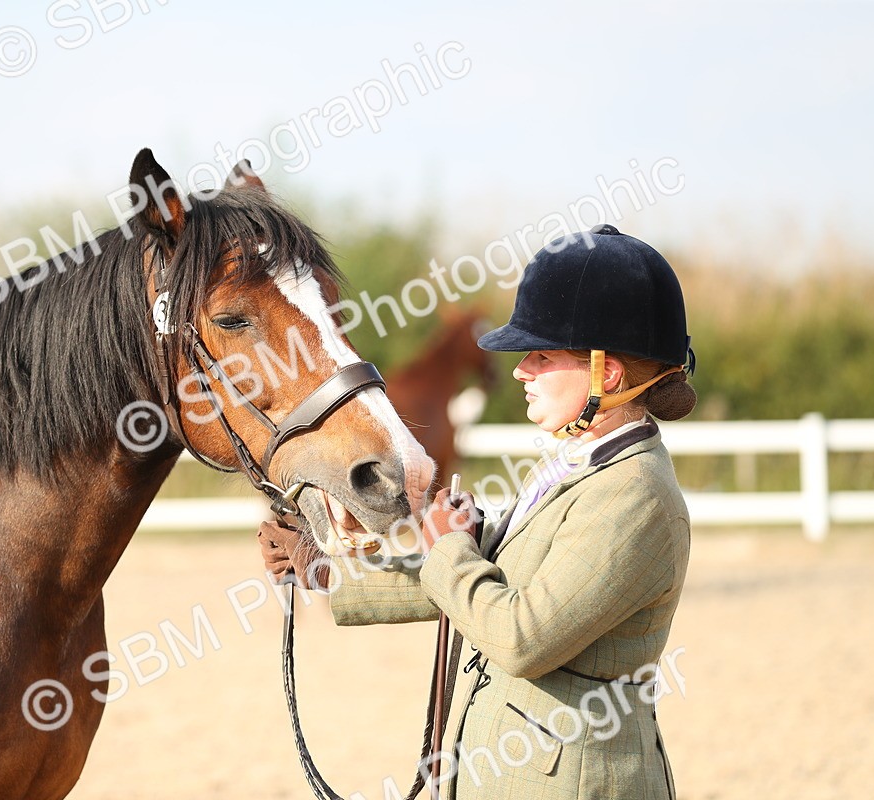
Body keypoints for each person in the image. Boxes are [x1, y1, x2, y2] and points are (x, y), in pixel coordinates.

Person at [259, 224, 695, 799]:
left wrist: (451, 545)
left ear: (605, 373)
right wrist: (325, 567)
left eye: (540, 356)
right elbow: (483, 574)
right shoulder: (581, 462)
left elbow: (520, 634)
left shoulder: (634, 494)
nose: (520, 371)